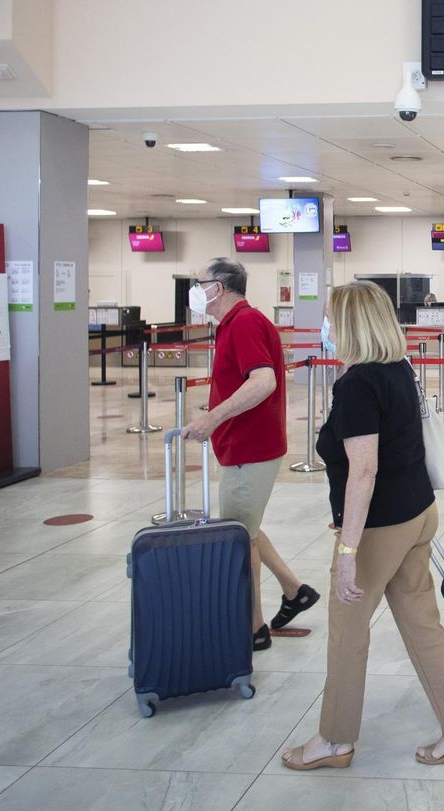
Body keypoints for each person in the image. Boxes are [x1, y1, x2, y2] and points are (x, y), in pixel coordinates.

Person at [281, 280, 444, 771]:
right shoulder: (398, 369)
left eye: (330, 319)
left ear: (348, 324)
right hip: (418, 513)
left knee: (348, 633)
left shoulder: (357, 385)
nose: (325, 327)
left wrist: (348, 554)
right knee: (421, 624)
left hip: (381, 528)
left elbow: (363, 470)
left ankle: (334, 740)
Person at [180, 258, 319, 650]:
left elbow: (264, 381)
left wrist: (212, 418)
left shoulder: (243, 324)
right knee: (247, 529)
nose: (195, 288)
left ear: (218, 288)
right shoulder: (235, 324)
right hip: (245, 446)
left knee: (238, 538)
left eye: (199, 282)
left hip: (249, 449)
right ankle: (295, 591)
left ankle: (253, 628)